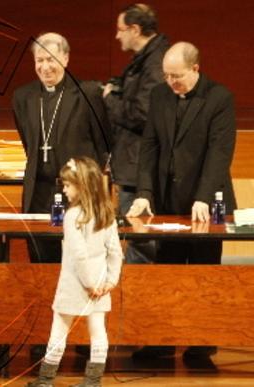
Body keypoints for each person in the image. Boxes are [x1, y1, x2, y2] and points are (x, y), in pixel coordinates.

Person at [127, 42, 236, 361]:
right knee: (167, 274)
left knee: (203, 274)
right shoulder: (160, 95)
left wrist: (203, 197)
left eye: (177, 76)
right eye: (167, 76)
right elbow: (149, 147)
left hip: (206, 203)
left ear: (196, 69)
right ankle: (162, 340)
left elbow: (219, 153)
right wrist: (145, 193)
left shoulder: (219, 98)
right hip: (168, 202)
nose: (171, 83)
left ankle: (202, 342)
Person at [12, 32, 110, 263]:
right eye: (39, 61)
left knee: (80, 262)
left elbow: (103, 142)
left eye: (51, 60)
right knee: (40, 264)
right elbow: (29, 144)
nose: (45, 67)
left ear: (65, 59)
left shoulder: (88, 94)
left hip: (78, 194)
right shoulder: (23, 97)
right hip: (39, 194)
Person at [26, 157, 123, 387]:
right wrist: (109, 281)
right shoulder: (106, 214)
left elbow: (79, 256)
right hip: (99, 285)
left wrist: (89, 284)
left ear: (82, 186)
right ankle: (92, 381)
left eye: (68, 186)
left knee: (59, 330)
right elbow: (115, 253)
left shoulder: (72, 216)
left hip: (76, 284)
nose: (65, 191)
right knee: (98, 331)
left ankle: (45, 380)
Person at [103, 3, 169, 264]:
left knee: (140, 241)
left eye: (120, 30)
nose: (117, 36)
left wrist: (109, 100)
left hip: (140, 167)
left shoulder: (155, 63)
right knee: (135, 240)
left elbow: (143, 115)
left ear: (135, 29)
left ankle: (136, 301)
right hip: (132, 164)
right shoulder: (145, 60)